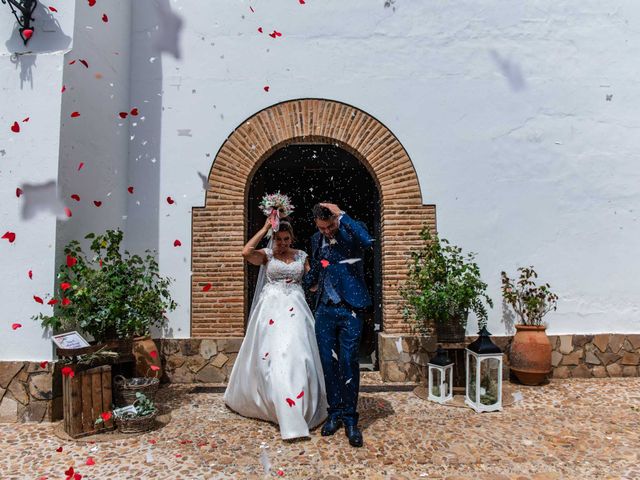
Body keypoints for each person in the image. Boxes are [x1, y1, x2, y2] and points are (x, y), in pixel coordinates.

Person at [224, 216, 327, 440]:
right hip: (270, 310)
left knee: (297, 354)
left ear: (292, 238)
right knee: (272, 356)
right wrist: (264, 228)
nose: (282, 243)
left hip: (296, 309)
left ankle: (298, 405)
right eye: (278, 239)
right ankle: (277, 403)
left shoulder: (301, 255)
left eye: (286, 238)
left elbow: (312, 282)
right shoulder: (266, 255)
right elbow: (245, 252)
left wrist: (323, 275)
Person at [303, 202, 374, 448]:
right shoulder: (315, 239)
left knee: (348, 361)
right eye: (322, 228)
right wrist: (303, 281)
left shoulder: (353, 230)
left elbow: (367, 242)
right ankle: (334, 413)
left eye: (330, 225)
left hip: (351, 309)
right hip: (324, 310)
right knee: (328, 363)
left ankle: (350, 418)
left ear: (336, 218)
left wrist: (343, 216)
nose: (327, 232)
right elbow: (316, 268)